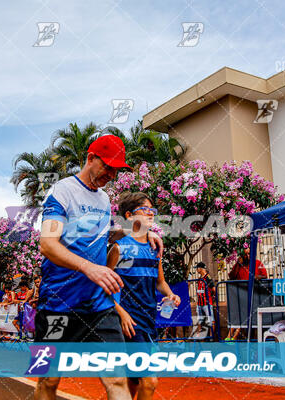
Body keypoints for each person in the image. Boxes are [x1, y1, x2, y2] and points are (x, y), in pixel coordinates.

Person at [36, 134, 163, 400]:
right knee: (48, 380)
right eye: (107, 167)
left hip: (98, 305)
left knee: (117, 379)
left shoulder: (104, 199)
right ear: (90, 158)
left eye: (116, 170)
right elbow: (48, 245)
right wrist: (88, 268)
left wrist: (141, 232)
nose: (112, 175)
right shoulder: (62, 191)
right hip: (58, 303)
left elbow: (102, 234)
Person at [108, 192, 180, 400]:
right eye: (145, 210)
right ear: (129, 216)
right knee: (150, 381)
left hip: (150, 321)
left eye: (152, 210)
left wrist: (170, 294)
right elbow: (104, 288)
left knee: (132, 380)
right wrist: (121, 313)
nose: (150, 214)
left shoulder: (154, 248)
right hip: (131, 323)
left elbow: (160, 282)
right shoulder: (119, 249)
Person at [191, 262, 216, 338]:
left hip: (207, 303)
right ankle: (199, 335)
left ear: (200, 269)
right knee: (199, 320)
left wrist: (211, 297)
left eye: (197, 268)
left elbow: (214, 289)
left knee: (211, 319)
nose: (197, 270)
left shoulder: (207, 278)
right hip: (199, 303)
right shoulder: (199, 278)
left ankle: (212, 336)